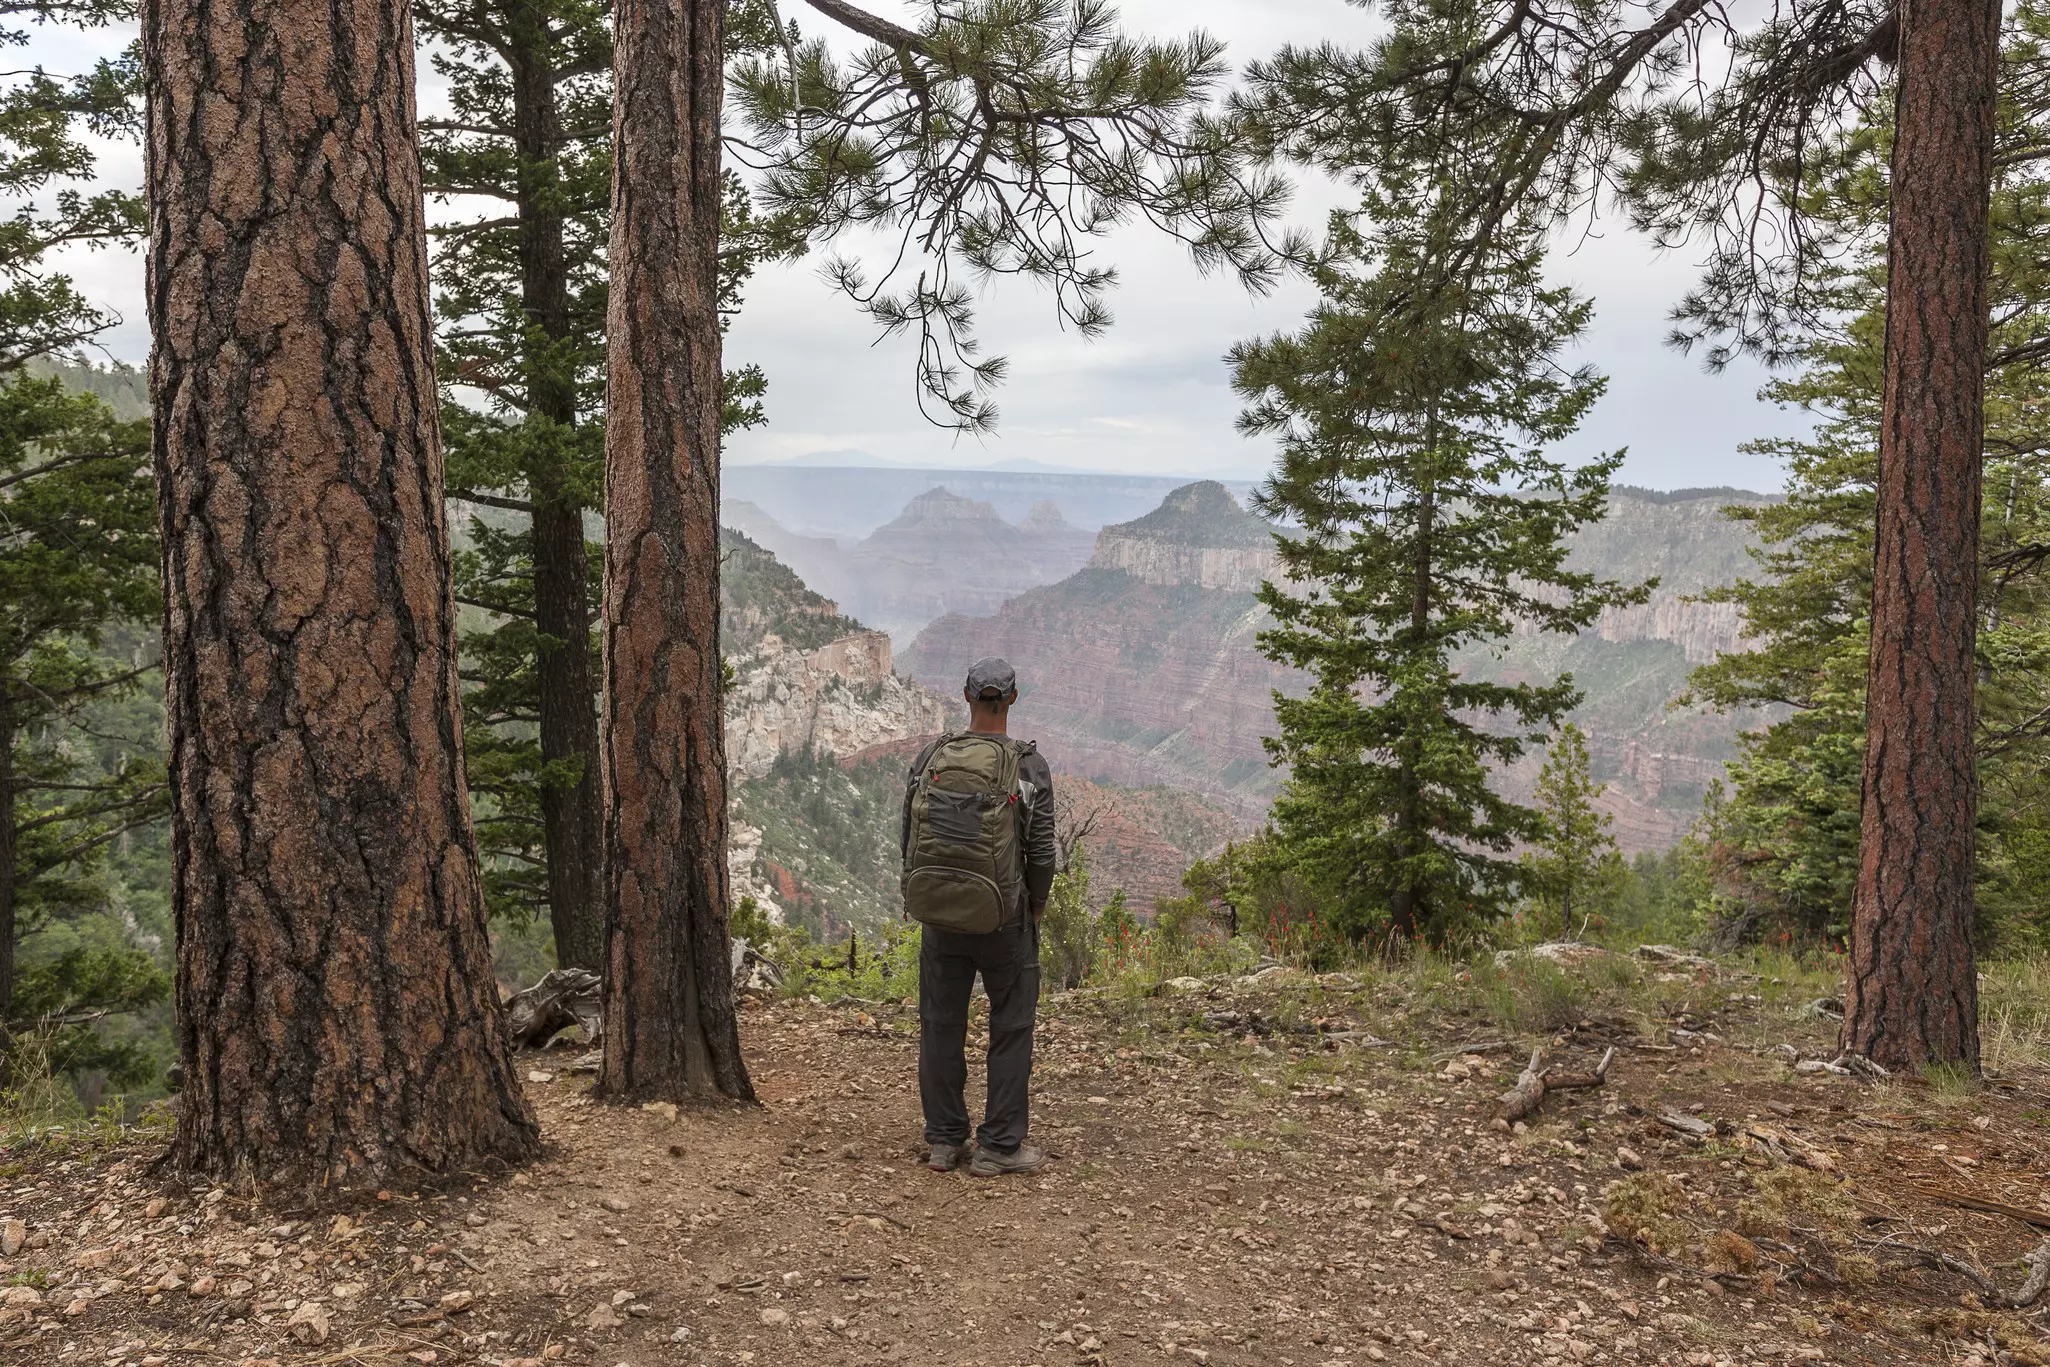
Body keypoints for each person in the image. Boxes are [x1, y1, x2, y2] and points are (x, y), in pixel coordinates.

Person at [901, 656, 1057, 1177]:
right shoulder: (1029, 767)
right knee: (1011, 1026)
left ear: (966, 697)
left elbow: (908, 839)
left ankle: (944, 1141)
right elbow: (1042, 852)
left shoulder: (931, 757)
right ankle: (999, 1147)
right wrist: (1034, 907)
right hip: (1005, 918)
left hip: (941, 915)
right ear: (1012, 700)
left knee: (940, 1025)